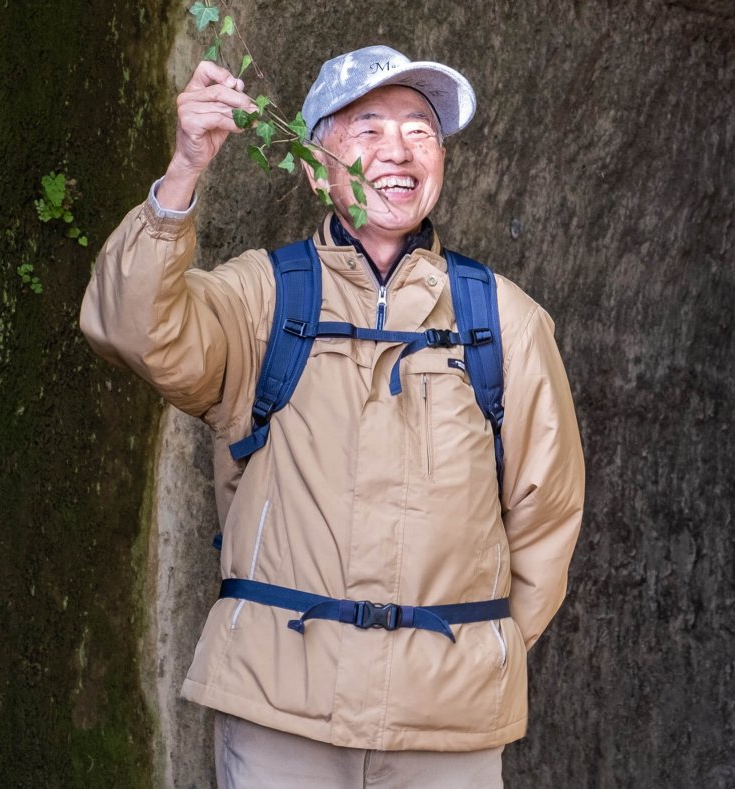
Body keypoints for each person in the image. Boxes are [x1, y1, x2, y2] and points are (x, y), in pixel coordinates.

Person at [81, 45, 584, 788]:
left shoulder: (503, 320)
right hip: (283, 712)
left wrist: (484, 653)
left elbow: (549, 514)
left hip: (447, 726)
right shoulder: (263, 299)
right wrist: (182, 174)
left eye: (421, 131)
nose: (399, 150)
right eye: (369, 127)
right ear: (316, 163)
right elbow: (131, 328)